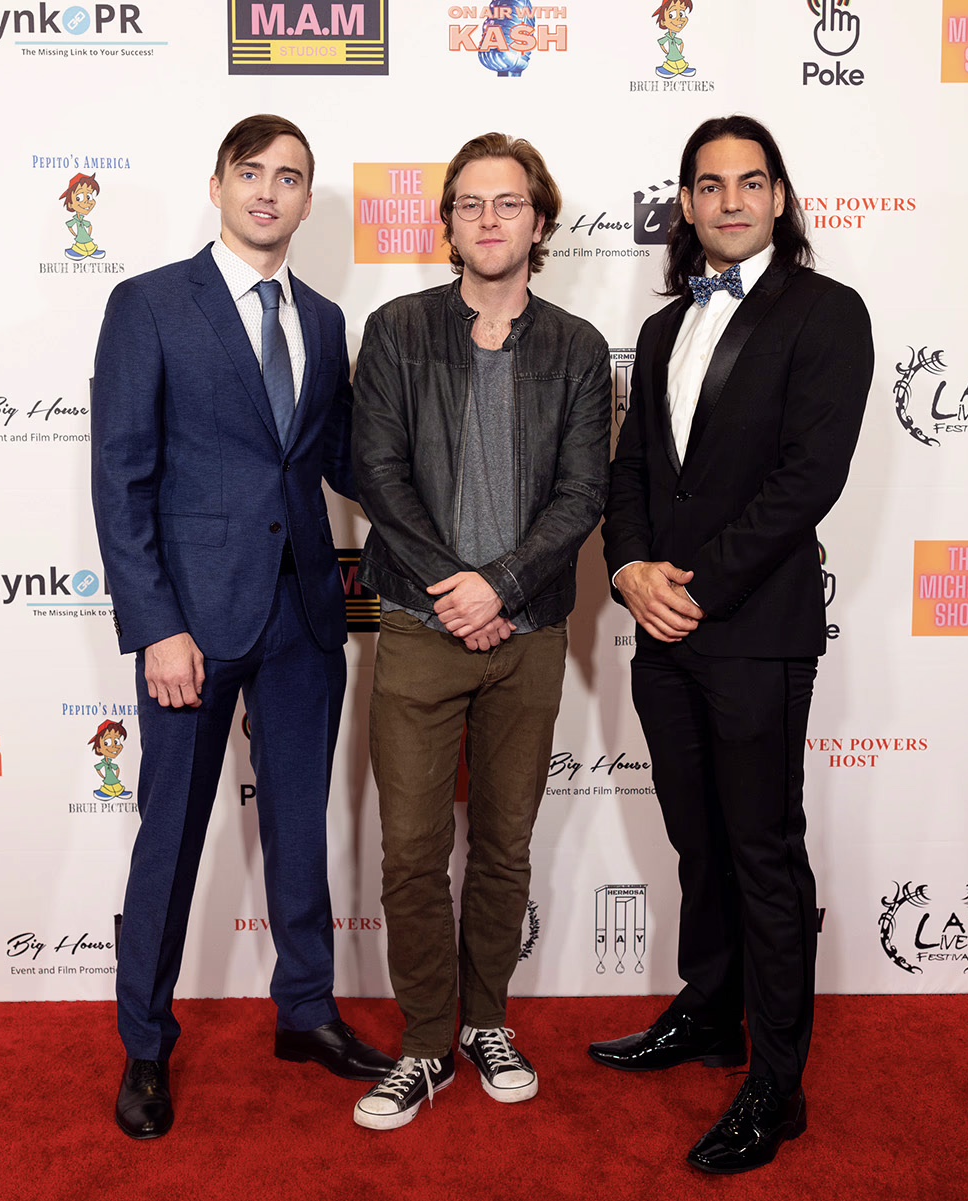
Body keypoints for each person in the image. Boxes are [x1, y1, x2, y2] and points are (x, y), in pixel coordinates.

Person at [90, 113, 391, 1142]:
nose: (270, 192)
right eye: (252, 173)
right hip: (192, 623)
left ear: (309, 200)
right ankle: (144, 1043)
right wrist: (155, 626)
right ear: (217, 183)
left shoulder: (328, 318)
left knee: (302, 820)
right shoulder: (148, 306)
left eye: (291, 178)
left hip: (305, 611)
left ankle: (305, 1010)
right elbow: (121, 479)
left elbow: (343, 460)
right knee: (168, 837)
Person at [591, 114, 874, 1175]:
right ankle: (710, 1014)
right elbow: (629, 474)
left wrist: (691, 589)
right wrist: (628, 571)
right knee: (698, 841)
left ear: (781, 196)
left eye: (751, 183)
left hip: (752, 630)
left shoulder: (828, 314)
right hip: (661, 633)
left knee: (761, 852)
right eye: (709, 186)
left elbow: (809, 479)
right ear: (688, 203)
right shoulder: (665, 329)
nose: (731, 201)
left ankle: (779, 1083)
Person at [350, 132, 611, 1131]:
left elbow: (583, 491)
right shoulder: (398, 329)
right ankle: (425, 1043)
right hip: (419, 626)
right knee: (412, 853)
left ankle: (486, 1019)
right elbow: (380, 475)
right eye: (469, 203)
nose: (489, 219)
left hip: (530, 629)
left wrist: (499, 585)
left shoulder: (579, 348)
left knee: (503, 845)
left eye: (509, 203)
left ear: (540, 222)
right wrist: (453, 586)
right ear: (449, 221)